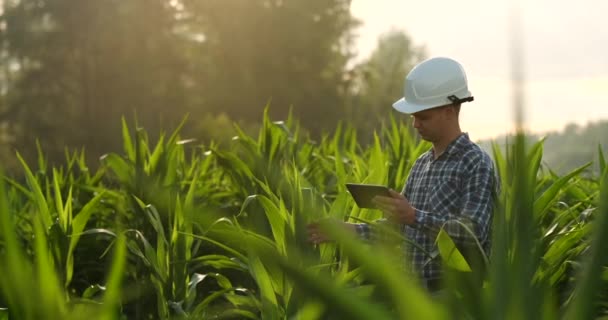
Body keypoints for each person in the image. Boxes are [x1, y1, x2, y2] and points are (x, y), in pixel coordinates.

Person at [307, 56, 498, 292]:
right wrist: (349, 230)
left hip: (455, 298)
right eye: (413, 116)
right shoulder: (421, 164)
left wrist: (414, 216)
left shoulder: (476, 163)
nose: (415, 124)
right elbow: (398, 229)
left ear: (449, 111)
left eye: (422, 117)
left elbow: (474, 234)